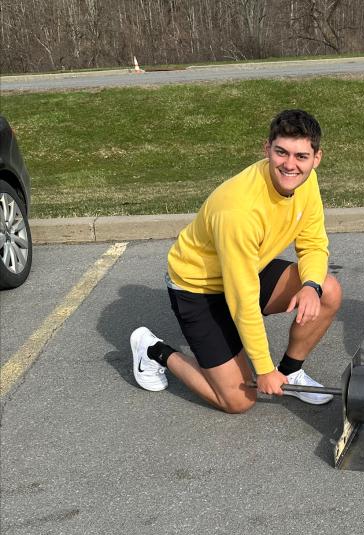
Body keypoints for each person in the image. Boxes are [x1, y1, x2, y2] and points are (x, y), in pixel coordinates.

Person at [130, 109, 341, 414]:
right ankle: (153, 350)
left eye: (301, 156)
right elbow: (243, 299)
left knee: (328, 290)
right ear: (266, 148)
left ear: (316, 158)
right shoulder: (238, 210)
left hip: (245, 267)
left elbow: (314, 244)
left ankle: (291, 372)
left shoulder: (305, 182)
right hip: (198, 288)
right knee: (239, 402)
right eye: (281, 152)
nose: (290, 165)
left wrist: (310, 285)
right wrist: (264, 369)